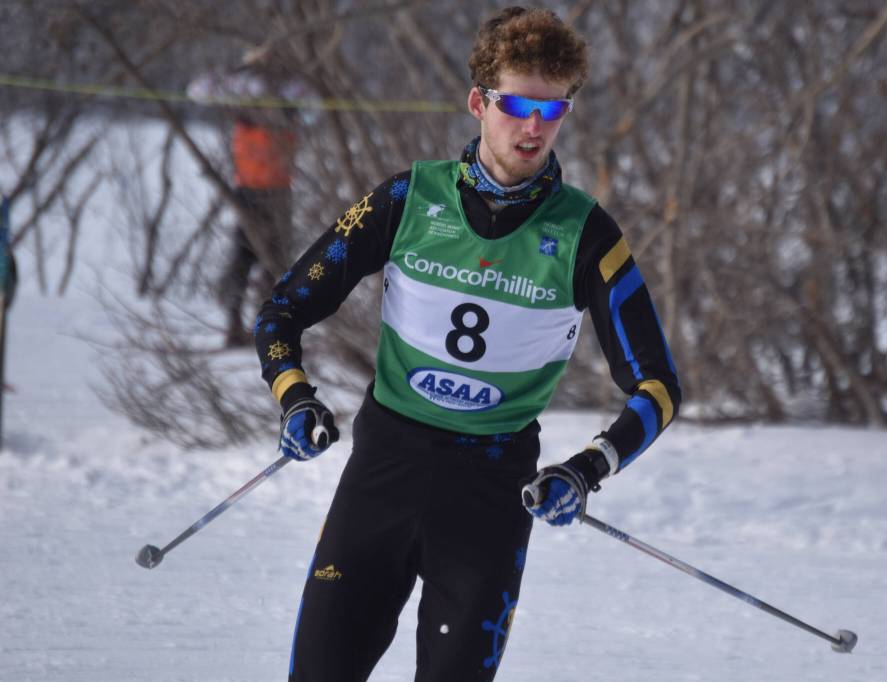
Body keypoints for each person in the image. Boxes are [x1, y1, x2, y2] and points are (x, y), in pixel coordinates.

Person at [254, 7, 681, 681]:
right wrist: (296, 399)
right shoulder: (405, 200)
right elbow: (281, 311)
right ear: (479, 102)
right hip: (384, 471)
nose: (534, 126)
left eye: (555, 107)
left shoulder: (588, 235)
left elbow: (657, 387)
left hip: (490, 491)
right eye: (517, 104)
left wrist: (586, 470)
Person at [189, 49, 303, 347]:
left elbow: (311, 105)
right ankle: (234, 325)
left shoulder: (289, 93)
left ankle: (267, 327)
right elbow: (198, 91)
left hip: (280, 191)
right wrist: (237, 73)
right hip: (249, 191)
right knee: (243, 256)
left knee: (276, 262)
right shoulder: (242, 93)